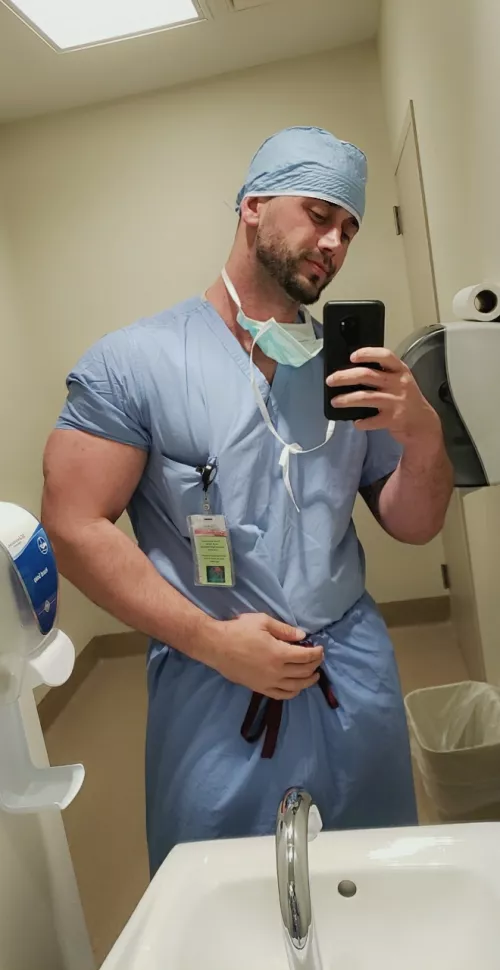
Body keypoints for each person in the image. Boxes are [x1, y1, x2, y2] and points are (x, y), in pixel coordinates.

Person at [42, 126, 453, 876]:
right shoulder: (135, 363)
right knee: (220, 886)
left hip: (350, 670)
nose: (334, 243)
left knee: (375, 878)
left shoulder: (351, 371)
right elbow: (72, 527)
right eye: (319, 214)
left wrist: (424, 436)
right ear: (253, 206)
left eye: (350, 229)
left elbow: (415, 524)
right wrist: (212, 642)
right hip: (215, 678)